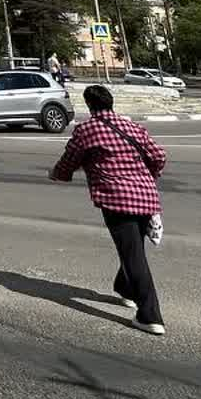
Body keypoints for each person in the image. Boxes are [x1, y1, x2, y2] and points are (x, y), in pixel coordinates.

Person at [49, 83, 168, 335]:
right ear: (111, 102)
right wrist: (147, 178)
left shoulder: (87, 130)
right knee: (133, 247)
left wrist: (57, 174)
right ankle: (125, 289)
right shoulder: (132, 126)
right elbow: (159, 156)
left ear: (89, 105)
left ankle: (150, 316)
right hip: (146, 196)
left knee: (133, 255)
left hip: (117, 199)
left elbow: (70, 160)